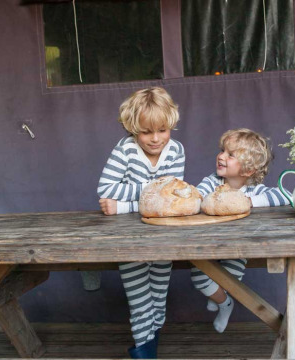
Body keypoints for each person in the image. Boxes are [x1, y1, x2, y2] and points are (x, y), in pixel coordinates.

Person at [97, 87, 184, 359]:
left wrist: (124, 206)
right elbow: (105, 189)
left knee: (158, 298)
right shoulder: (125, 150)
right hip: (128, 240)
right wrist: (153, 191)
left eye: (161, 130)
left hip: (162, 236)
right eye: (146, 132)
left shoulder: (176, 150)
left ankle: (148, 349)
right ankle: (143, 354)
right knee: (140, 301)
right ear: (133, 129)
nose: (155, 139)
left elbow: (169, 198)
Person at [193, 128, 289, 333]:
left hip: (238, 249)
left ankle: (222, 300)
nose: (221, 156)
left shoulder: (254, 191)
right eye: (222, 150)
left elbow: (287, 196)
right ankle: (224, 303)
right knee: (200, 277)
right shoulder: (211, 182)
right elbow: (197, 197)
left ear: (247, 171)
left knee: (228, 282)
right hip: (206, 246)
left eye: (230, 155)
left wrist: (249, 201)